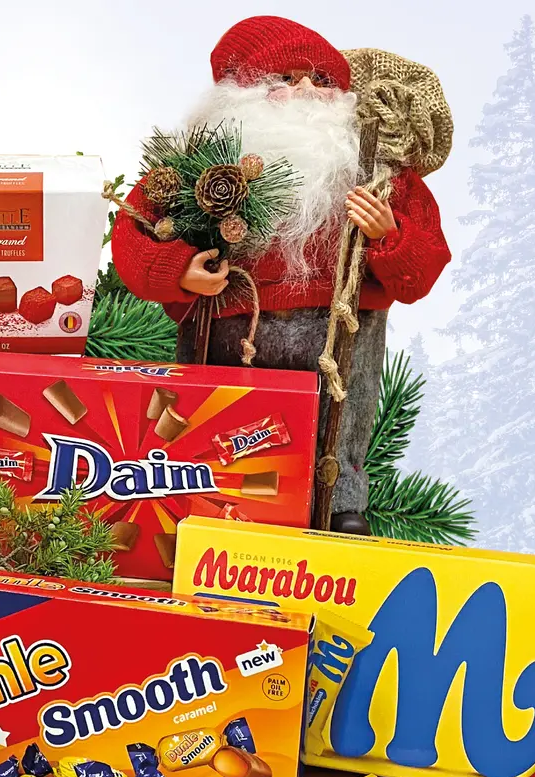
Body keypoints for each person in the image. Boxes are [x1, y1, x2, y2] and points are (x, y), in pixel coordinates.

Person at [111, 16, 450, 534]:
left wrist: (389, 235)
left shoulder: (378, 171)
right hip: (231, 325)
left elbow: (423, 266)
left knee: (341, 419)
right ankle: (209, 500)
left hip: (342, 327)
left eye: (322, 79)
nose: (307, 91)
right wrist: (179, 270)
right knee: (222, 418)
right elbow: (136, 235)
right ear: (240, 95)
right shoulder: (197, 165)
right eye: (286, 79)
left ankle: (341, 505)